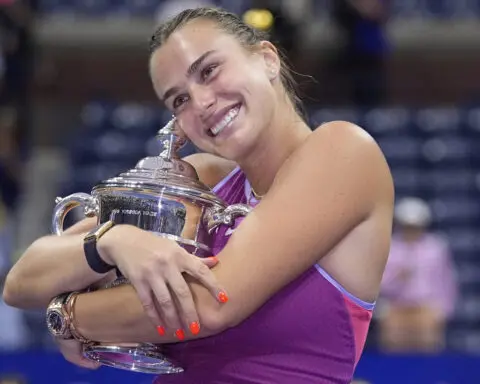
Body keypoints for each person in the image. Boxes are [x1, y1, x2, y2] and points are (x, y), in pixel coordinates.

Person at [3, 7, 394, 383]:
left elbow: (211, 304)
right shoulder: (202, 179)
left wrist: (68, 314)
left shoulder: (343, 151)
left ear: (267, 59)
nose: (202, 103)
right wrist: (111, 241)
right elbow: (22, 281)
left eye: (209, 70)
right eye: (179, 100)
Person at [378, 197, 458, 353]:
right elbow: (379, 285)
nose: (411, 231)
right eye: (407, 226)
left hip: (426, 306)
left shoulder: (436, 248)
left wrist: (444, 310)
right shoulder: (389, 247)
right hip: (396, 306)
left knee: (429, 344)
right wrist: (396, 278)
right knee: (392, 342)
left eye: (415, 226)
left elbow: (446, 280)